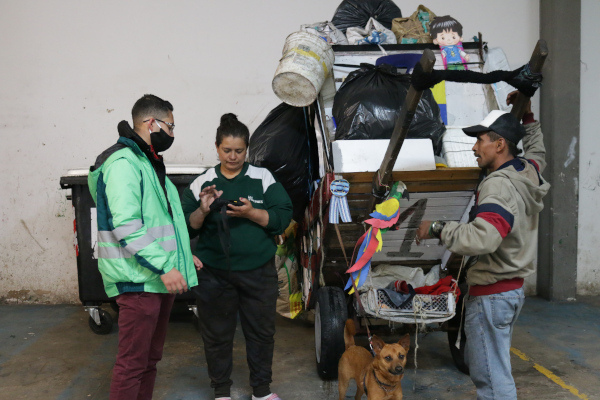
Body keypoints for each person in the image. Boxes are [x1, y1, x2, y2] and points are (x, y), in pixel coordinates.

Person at [416, 92, 550, 399]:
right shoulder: (526, 172)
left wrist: (438, 228)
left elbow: (484, 238)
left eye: (481, 141)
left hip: (492, 295)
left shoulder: (497, 185)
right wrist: (527, 118)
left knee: (491, 379)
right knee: (496, 369)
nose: (475, 148)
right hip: (511, 291)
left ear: (500, 144)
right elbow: (538, 152)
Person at [88, 94, 198, 400]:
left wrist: (184, 255)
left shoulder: (148, 161)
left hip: (152, 279)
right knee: (132, 364)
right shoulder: (123, 163)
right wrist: (165, 265)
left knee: (149, 361)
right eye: (171, 126)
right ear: (152, 123)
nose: (173, 134)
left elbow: (160, 221)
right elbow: (127, 225)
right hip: (138, 280)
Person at [181, 113, 293, 400]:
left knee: (261, 333)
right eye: (227, 150)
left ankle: (262, 391)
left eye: (239, 151)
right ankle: (221, 392)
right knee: (217, 335)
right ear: (216, 148)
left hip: (258, 272)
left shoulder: (262, 178)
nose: (233, 157)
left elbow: (282, 216)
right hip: (214, 273)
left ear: (248, 148)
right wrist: (203, 210)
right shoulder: (202, 183)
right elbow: (184, 226)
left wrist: (252, 213)